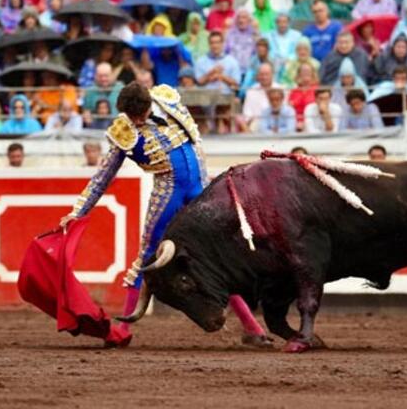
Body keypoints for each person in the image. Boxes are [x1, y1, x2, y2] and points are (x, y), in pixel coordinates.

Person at [59, 82, 271, 346]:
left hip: (200, 189)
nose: (136, 122)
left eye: (139, 116)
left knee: (220, 257)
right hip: (168, 193)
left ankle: (252, 327)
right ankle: (122, 331)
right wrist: (78, 211)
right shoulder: (124, 131)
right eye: (132, 118)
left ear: (148, 106)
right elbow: (104, 176)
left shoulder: (168, 98)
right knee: (147, 255)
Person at [195, 31, 241, 95]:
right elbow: (199, 82)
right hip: (206, 99)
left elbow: (236, 84)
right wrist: (212, 72)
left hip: (226, 99)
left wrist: (221, 76)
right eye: (212, 43)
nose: (215, 46)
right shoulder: (200, 61)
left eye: (217, 42)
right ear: (209, 44)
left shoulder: (232, 61)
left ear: (222, 43)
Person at [242, 63, 281, 132]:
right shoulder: (251, 91)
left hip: (277, 124)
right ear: (258, 76)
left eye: (267, 74)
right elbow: (247, 115)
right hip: (257, 126)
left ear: (272, 75)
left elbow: (285, 111)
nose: (264, 77)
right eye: (262, 74)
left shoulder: (280, 89)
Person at [225, 8, 259, 73]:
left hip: (250, 71)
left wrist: (256, 30)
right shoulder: (229, 34)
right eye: (238, 17)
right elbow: (224, 52)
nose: (241, 20)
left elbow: (258, 52)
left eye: (244, 17)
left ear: (249, 20)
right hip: (232, 71)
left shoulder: (254, 34)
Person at [288, 63, 318, 130]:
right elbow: (290, 109)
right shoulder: (294, 91)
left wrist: (305, 123)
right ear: (299, 74)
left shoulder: (318, 89)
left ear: (312, 74)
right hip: (295, 125)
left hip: (312, 123)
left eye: (308, 71)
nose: (306, 73)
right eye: (303, 71)